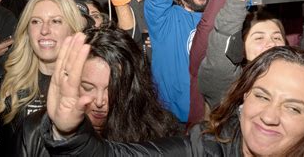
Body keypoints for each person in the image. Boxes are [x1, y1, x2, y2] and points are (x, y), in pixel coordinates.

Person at [43, 43, 304, 157]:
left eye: (293, 107)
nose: (270, 116)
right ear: (243, 99)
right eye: (262, 96)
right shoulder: (201, 148)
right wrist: (68, 133)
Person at [11, 26, 182, 156]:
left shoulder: (158, 131)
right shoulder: (33, 132)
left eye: (112, 88)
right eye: (87, 87)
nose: (100, 101)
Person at [0, 0, 85, 156]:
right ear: (27, 31)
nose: (45, 30)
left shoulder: (87, 85)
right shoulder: (9, 81)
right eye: (36, 21)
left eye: (56, 21)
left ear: (72, 28)